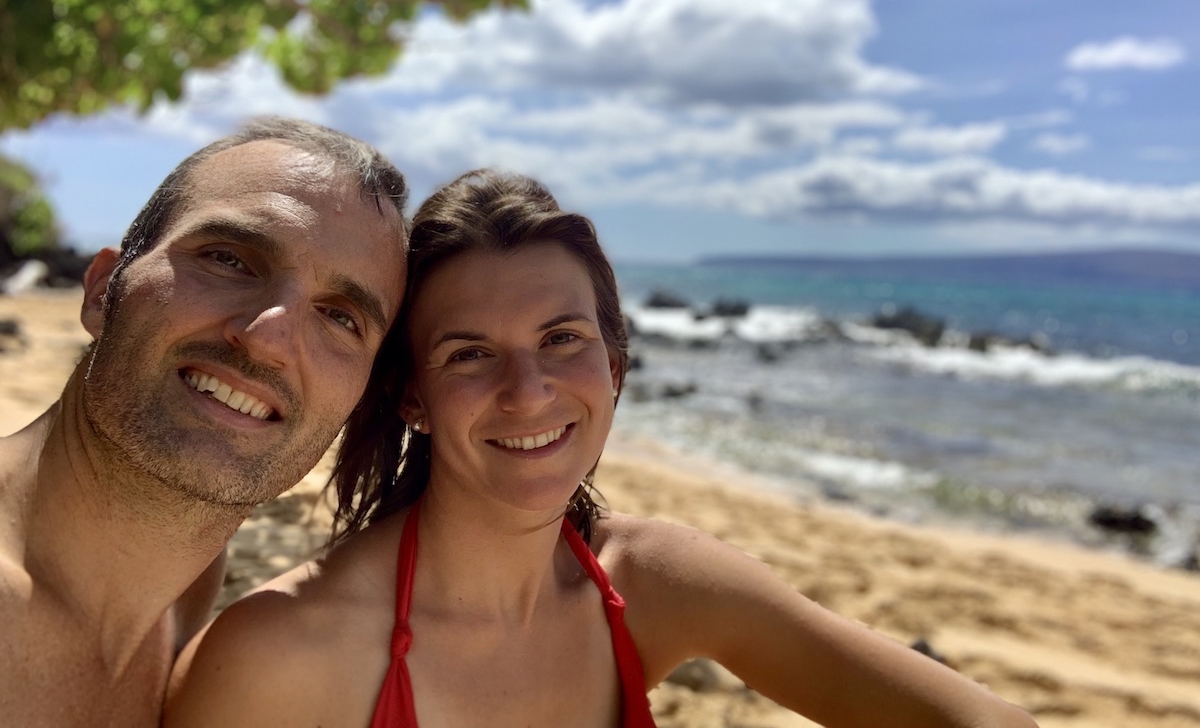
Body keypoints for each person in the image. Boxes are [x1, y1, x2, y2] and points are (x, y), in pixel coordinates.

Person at [165, 170, 1038, 728]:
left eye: (562, 340)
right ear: (412, 398)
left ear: (613, 367)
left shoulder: (648, 581)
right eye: (469, 354)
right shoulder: (281, 656)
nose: (530, 391)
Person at [0, 117, 410, 727]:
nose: (268, 337)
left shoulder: (186, 597)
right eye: (228, 260)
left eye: (340, 317)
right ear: (102, 289)